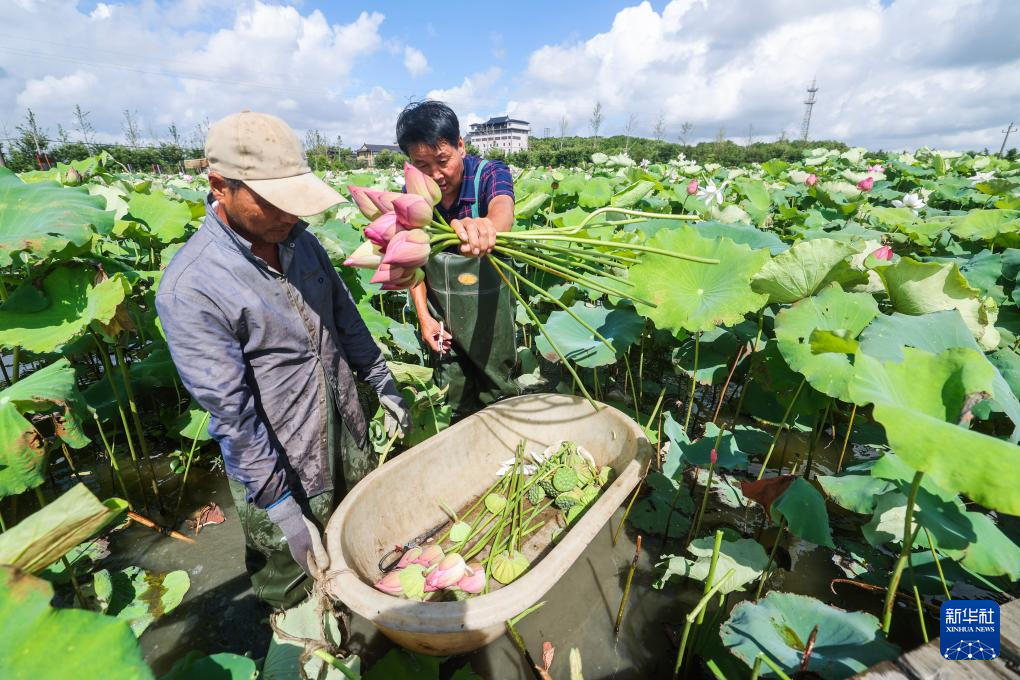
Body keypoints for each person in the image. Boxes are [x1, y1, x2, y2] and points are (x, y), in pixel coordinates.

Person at [156, 111, 411, 609]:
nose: (289, 215)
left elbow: (345, 317)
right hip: (282, 466)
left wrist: (381, 381)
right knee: (296, 593)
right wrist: (283, 511)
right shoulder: (192, 287)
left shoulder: (302, 242)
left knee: (365, 556)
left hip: (346, 428)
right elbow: (234, 418)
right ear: (219, 186)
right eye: (272, 202)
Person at [396, 101, 520, 418]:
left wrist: (487, 228)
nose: (435, 175)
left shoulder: (490, 174)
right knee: (450, 401)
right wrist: (424, 317)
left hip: (490, 319)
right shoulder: (412, 194)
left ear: (460, 146)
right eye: (421, 165)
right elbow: (413, 264)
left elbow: (503, 210)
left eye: (442, 160)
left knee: (499, 396)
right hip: (443, 318)